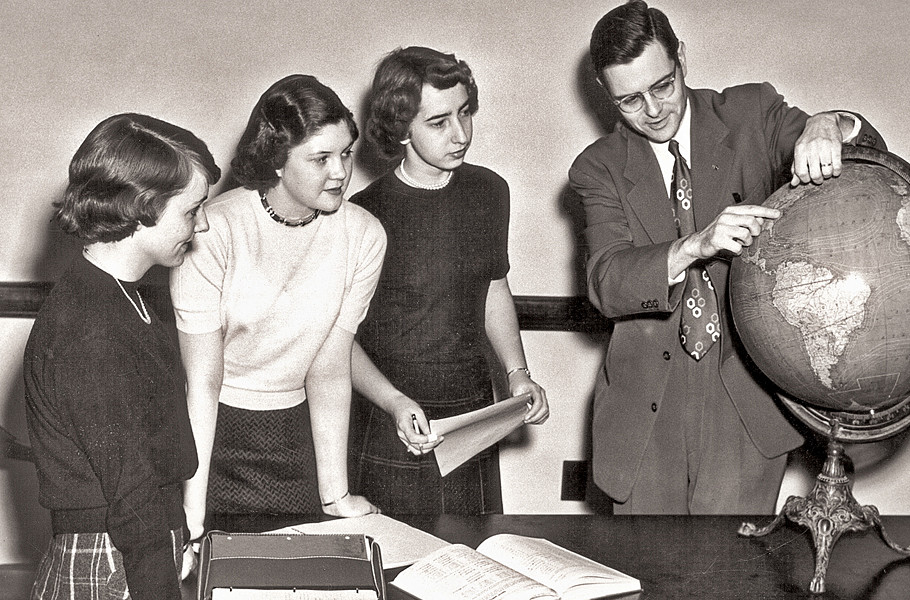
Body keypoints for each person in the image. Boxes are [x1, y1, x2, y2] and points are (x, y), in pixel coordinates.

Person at [569, 1, 886, 514]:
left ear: (682, 60)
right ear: (606, 95)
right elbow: (607, 282)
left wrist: (830, 124)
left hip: (744, 403)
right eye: (629, 100)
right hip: (645, 411)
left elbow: (857, 148)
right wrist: (694, 245)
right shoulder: (597, 168)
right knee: (645, 582)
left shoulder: (751, 114)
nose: (652, 111)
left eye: (662, 86)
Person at [170, 75, 383, 542]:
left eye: (346, 153)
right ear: (277, 161)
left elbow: (329, 368)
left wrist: (336, 496)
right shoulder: (213, 230)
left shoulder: (364, 235)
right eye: (320, 158)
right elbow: (201, 383)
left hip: (294, 432)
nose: (341, 173)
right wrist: (192, 511)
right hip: (209, 432)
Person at [23, 113, 220, 599]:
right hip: (112, 560)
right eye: (193, 210)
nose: (205, 223)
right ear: (143, 206)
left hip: (136, 548)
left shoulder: (125, 296)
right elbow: (132, 493)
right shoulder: (87, 323)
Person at [348, 46, 550, 515]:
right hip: (392, 415)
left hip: (473, 414)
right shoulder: (363, 213)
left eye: (465, 113)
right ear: (400, 130)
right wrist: (394, 402)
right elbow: (340, 340)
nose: (460, 134)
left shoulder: (489, 191)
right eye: (438, 123)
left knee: (474, 559)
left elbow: (493, 288)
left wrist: (517, 374)